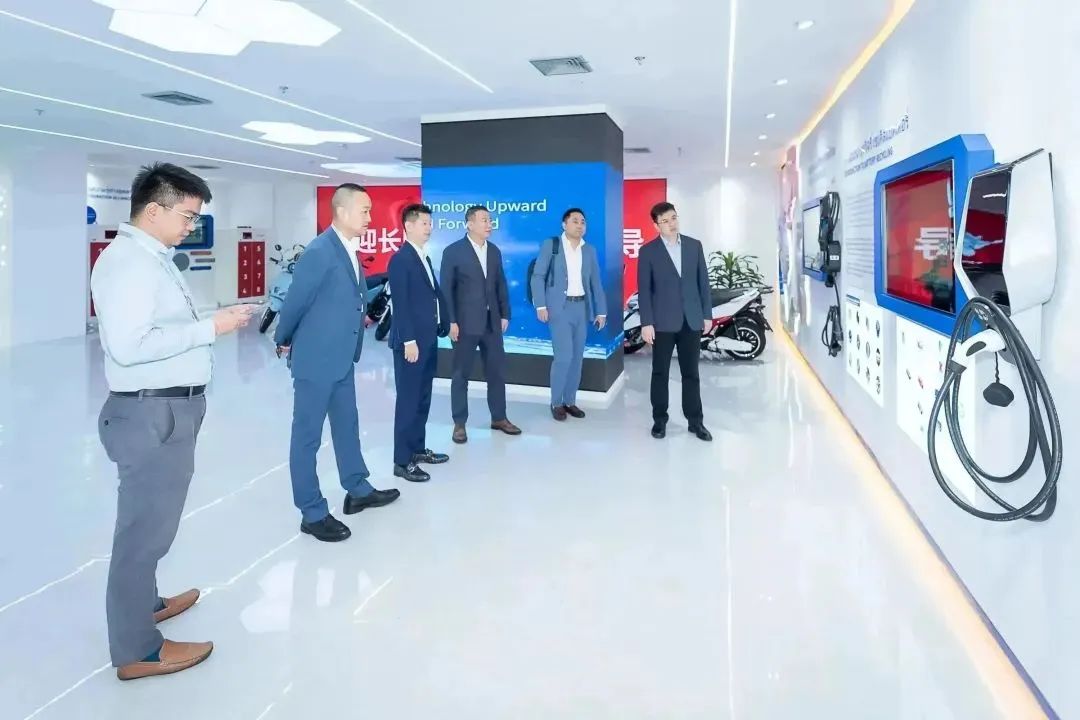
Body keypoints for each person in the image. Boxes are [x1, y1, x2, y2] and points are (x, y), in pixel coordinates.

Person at [91, 162, 257, 680]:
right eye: (187, 216)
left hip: (165, 410)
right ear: (153, 210)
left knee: (153, 526)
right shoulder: (129, 264)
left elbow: (161, 327)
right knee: (143, 535)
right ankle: (137, 650)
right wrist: (210, 328)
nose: (192, 226)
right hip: (150, 413)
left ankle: (146, 604)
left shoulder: (152, 259)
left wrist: (207, 323)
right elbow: (128, 346)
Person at [274, 183, 400, 543]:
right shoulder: (319, 251)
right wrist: (283, 338)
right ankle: (311, 512)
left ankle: (357, 488)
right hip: (316, 360)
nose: (370, 217)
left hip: (342, 358)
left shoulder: (347, 248)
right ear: (342, 212)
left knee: (347, 425)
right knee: (307, 437)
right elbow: (295, 302)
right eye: (364, 210)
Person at [439, 206, 522, 444]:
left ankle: (499, 417)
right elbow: (446, 290)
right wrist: (450, 321)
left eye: (490, 220)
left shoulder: (494, 251)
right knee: (460, 374)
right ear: (470, 224)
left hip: (492, 323)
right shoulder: (453, 251)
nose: (489, 224)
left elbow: (500, 284)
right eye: (484, 220)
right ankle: (459, 423)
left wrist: (505, 314)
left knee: (496, 372)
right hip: (464, 324)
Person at [637, 202, 714, 442]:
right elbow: (644, 290)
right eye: (665, 221)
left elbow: (703, 283)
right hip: (662, 323)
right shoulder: (648, 252)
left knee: (691, 373)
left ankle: (695, 421)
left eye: (673, 218)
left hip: (691, 320)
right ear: (656, 225)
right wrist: (646, 322)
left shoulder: (694, 246)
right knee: (660, 373)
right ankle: (659, 420)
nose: (671, 224)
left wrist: (707, 314)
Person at [387, 203, 450, 483]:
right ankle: (402, 461)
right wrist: (409, 340)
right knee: (408, 401)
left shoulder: (423, 256)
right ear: (408, 226)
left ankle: (417, 449)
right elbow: (401, 305)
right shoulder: (401, 260)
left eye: (430, 223)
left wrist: (445, 321)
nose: (429, 228)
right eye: (424, 223)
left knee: (422, 398)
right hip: (411, 344)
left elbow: (432, 296)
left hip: (428, 339)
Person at [531, 208, 607, 420]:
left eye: (583, 221)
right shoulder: (552, 245)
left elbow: (596, 282)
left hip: (582, 308)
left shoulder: (589, 250)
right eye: (575, 221)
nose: (580, 225)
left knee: (576, 359)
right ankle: (556, 402)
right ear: (564, 225)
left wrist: (601, 311)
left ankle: (570, 401)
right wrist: (541, 306)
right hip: (559, 309)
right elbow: (538, 276)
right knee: (563, 357)